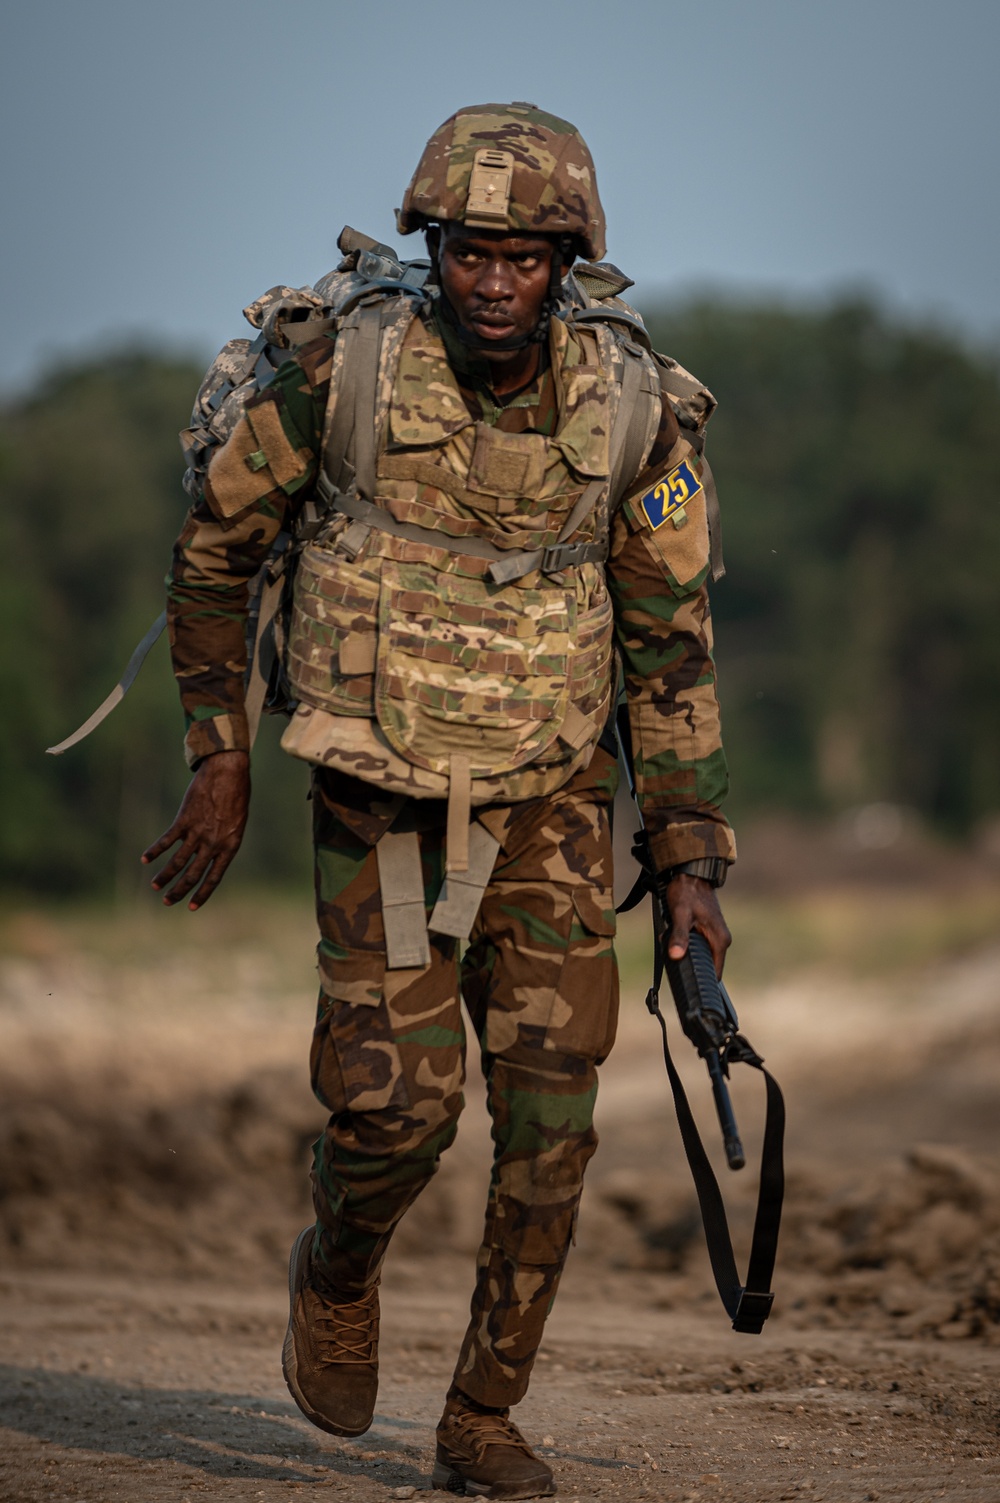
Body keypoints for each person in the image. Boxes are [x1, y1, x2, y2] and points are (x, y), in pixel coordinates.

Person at [143, 102, 735, 1501]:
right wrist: (216, 753)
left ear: (569, 260)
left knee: (552, 1123)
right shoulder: (341, 375)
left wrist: (694, 854)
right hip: (382, 791)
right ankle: (337, 1269)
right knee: (397, 1114)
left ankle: (480, 1417)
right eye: (470, 251)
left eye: (526, 258)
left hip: (554, 802)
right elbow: (213, 554)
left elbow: (673, 640)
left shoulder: (634, 407)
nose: (493, 282)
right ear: (434, 246)